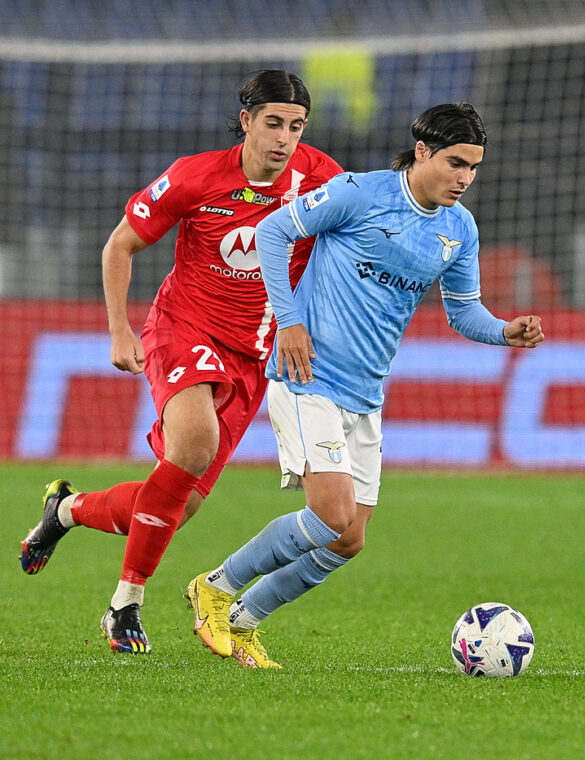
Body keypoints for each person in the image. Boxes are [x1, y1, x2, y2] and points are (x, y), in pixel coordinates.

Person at [184, 102, 544, 668]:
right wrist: (290, 321)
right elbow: (274, 230)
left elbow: (463, 311)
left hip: (365, 392)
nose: (464, 178)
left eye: (473, 167)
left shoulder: (459, 229)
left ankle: (244, 620)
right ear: (422, 151)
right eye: (455, 163)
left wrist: (506, 331)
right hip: (309, 379)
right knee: (330, 513)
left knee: (348, 540)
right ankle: (216, 586)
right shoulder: (359, 193)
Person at [19, 70, 343, 653]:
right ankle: (125, 605)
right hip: (184, 328)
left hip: (253, 358)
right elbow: (120, 244)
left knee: (173, 505)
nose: (285, 139)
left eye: (296, 127)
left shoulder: (321, 178)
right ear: (245, 121)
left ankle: (64, 510)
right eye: (273, 123)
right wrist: (119, 330)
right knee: (193, 446)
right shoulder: (195, 177)